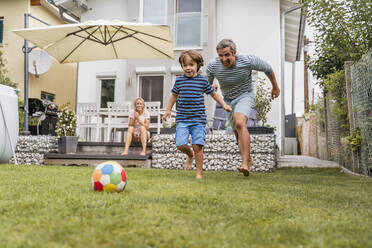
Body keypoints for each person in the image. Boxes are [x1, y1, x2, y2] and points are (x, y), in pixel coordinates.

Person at [206, 39, 280, 176]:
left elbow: (268, 69)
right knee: (236, 132)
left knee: (240, 122)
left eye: (227, 55)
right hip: (228, 99)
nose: (223, 59)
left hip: (245, 95)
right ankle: (249, 160)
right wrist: (211, 87)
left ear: (234, 53)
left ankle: (245, 164)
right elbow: (207, 85)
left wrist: (275, 87)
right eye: (220, 56)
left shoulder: (248, 60)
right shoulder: (212, 65)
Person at [162, 50, 232, 179]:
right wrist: (167, 110)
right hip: (183, 119)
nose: (188, 68)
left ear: (198, 65)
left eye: (191, 64)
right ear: (182, 67)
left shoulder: (203, 81)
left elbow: (214, 94)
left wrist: (224, 104)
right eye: (185, 65)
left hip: (198, 119)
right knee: (180, 144)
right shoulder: (179, 81)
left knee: (197, 146)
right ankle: (190, 155)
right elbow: (173, 96)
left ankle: (199, 173)